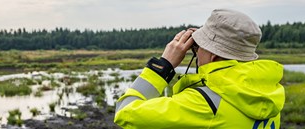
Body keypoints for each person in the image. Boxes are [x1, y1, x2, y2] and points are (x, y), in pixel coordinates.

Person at [114, 9, 285, 129]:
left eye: (199, 46)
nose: (196, 50)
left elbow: (124, 113)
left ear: (212, 55)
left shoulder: (203, 103)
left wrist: (163, 66)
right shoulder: (267, 91)